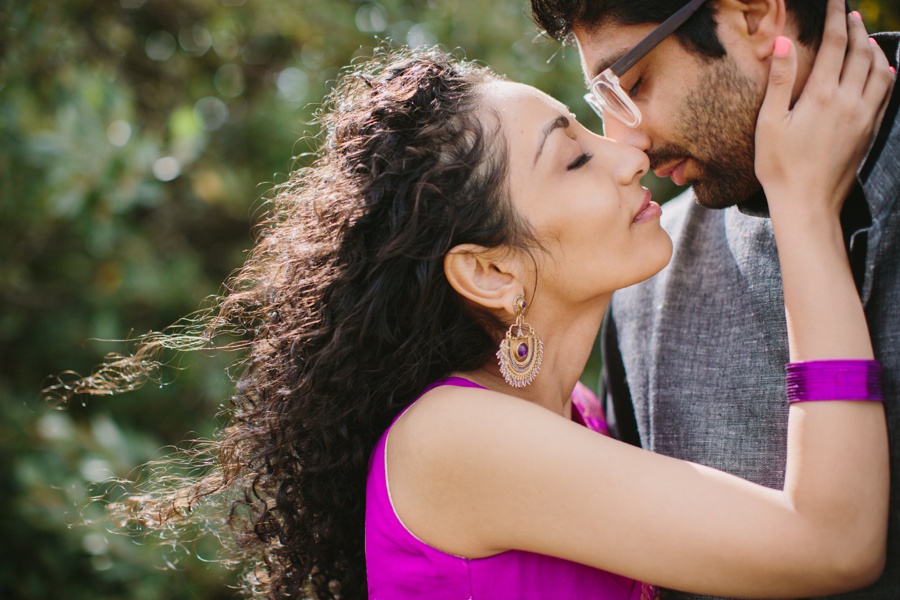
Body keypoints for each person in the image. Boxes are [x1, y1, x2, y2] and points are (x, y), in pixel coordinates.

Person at [50, 6, 893, 599]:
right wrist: (804, 210)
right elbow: (830, 542)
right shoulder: (457, 442)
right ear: (489, 272)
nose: (626, 153)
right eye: (572, 157)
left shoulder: (577, 418)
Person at [529, 0, 899, 597]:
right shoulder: (647, 285)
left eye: (633, 83)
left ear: (754, 17)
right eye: (604, 104)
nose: (628, 145)